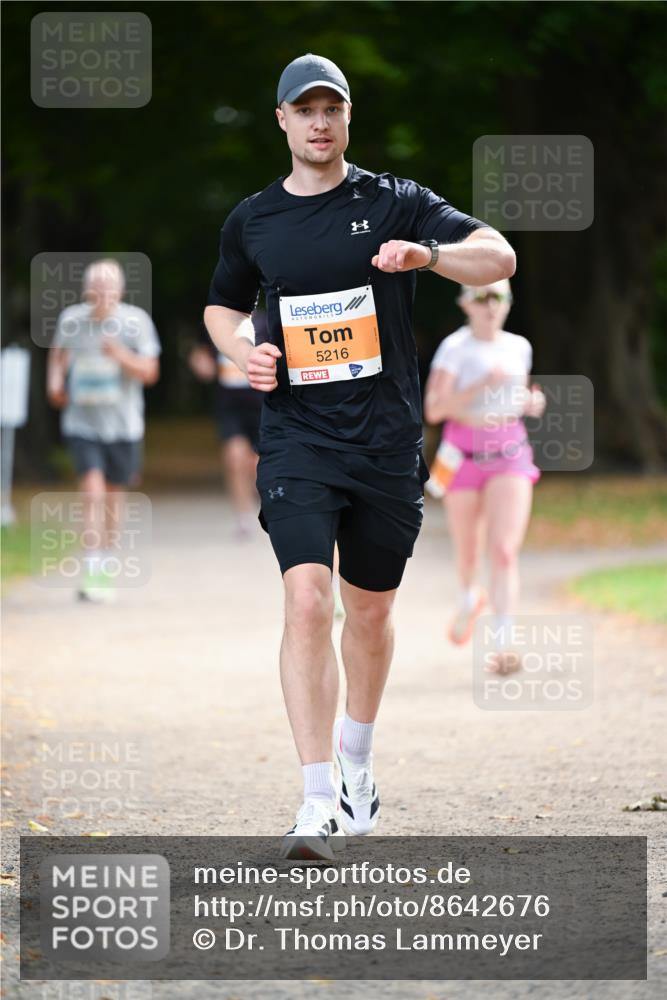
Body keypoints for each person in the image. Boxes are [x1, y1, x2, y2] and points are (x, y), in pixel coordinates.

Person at [203, 54, 515, 859]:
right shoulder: (254, 220)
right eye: (302, 109)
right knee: (307, 602)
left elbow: (497, 256)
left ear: (346, 118)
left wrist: (427, 256)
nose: (317, 122)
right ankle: (314, 802)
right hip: (296, 437)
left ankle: (356, 761)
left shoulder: (394, 203)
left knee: (368, 613)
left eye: (330, 108)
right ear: (280, 120)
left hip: (382, 443)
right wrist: (246, 350)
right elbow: (220, 306)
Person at [423, 280, 545, 674]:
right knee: (469, 552)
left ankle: (504, 643)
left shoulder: (518, 346)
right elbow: (434, 410)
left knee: (505, 550)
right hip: (463, 456)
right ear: (465, 303)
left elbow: (520, 396)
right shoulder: (455, 348)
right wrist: (478, 386)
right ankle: (467, 598)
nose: (490, 304)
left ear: (509, 302)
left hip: (509, 452)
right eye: (480, 296)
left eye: (498, 296)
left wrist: (532, 401)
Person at [47, 258, 160, 603]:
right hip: (82, 422)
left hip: (124, 425)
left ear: (120, 290)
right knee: (92, 491)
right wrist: (54, 384)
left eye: (108, 287)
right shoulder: (71, 320)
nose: (102, 294)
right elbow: (57, 358)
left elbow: (150, 372)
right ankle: (91, 566)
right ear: (86, 289)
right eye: (96, 287)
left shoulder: (135, 322)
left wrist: (121, 356)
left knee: (113, 498)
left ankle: (107, 563)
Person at [188, 311, 264, 538]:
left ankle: (265, 509)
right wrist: (200, 363)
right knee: (235, 457)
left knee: (255, 464)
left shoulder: (266, 320)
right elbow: (201, 354)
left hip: (262, 404)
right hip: (229, 405)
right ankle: (244, 516)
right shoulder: (214, 322)